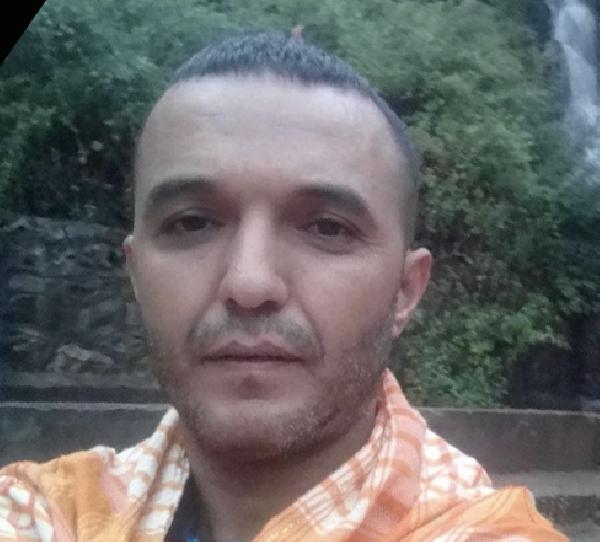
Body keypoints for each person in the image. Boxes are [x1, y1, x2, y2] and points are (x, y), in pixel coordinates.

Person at [0, 32, 567, 542]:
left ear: (404, 291)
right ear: (136, 273)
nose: (249, 283)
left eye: (328, 228)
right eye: (191, 223)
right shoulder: (46, 511)